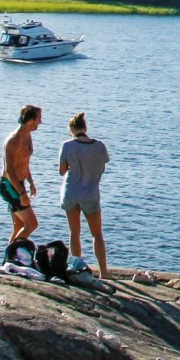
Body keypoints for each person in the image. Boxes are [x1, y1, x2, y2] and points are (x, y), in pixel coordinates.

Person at [59, 111, 111, 278]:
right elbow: (102, 168)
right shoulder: (100, 146)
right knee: (97, 234)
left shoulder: (67, 146)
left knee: (75, 233)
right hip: (90, 193)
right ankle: (103, 272)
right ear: (85, 128)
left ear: (71, 129)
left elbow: (62, 171)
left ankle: (77, 268)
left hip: (71, 192)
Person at [0, 104, 42, 243]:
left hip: (20, 183)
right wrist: (22, 193)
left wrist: (30, 182)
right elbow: (9, 170)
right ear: (30, 121)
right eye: (38, 119)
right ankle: (12, 255)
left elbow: (24, 162)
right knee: (32, 224)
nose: (40, 122)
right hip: (9, 185)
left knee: (19, 226)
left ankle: (8, 261)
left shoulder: (28, 136)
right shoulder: (14, 140)